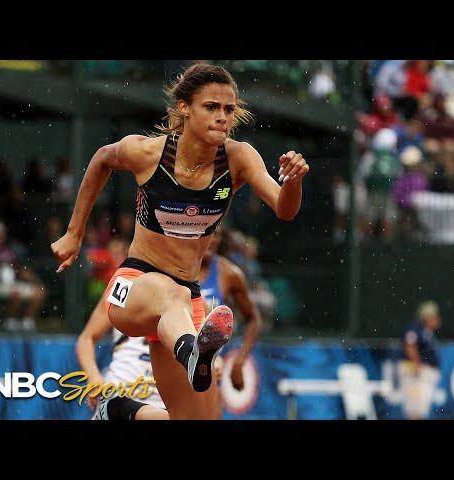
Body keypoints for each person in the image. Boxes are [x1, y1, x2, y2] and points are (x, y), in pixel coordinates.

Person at [52, 62, 309, 419]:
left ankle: (119, 411)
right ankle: (192, 352)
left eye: (228, 109)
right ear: (184, 108)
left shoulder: (238, 159)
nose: (222, 117)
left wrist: (293, 181)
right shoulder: (147, 154)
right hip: (134, 286)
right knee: (171, 293)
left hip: (186, 302)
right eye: (211, 107)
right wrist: (74, 233)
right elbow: (100, 160)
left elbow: (285, 209)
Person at [77, 228, 262, 420]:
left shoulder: (198, 293)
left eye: (215, 233)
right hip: (127, 383)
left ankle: (117, 409)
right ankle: (116, 407)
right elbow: (87, 338)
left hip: (167, 393)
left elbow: (211, 338)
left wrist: (219, 361)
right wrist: (94, 378)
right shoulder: (128, 282)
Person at [399, 301, 442, 420]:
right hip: (415, 372)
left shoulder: (426, 332)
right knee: (415, 409)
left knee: (420, 410)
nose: (437, 319)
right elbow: (410, 345)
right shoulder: (415, 328)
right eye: (434, 316)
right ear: (427, 316)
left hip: (423, 372)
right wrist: (417, 364)